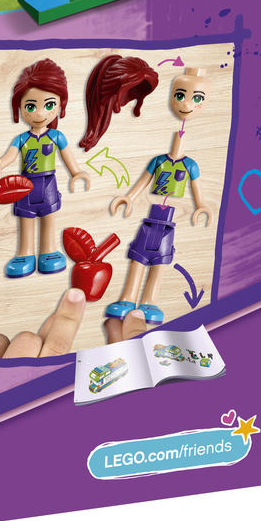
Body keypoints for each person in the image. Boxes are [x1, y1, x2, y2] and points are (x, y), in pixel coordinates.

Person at [95, 59, 215, 325]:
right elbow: (143, 182)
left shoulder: (190, 165)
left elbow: (197, 191)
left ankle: (149, 301)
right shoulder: (159, 161)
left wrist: (201, 206)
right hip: (150, 219)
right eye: (180, 96)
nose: (186, 104)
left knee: (159, 262)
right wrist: (129, 197)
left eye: (196, 98)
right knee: (137, 257)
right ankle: (127, 298)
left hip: (168, 223)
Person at [0, 59, 93, 279]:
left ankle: (48, 250)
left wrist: (77, 173)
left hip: (48, 184)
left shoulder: (56, 136)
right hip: (25, 185)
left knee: (48, 218)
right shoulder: (21, 139)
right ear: (19, 107)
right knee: (26, 220)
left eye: (48, 105)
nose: (39, 113)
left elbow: (68, 158)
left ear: (60, 105)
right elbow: (8, 157)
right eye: (30, 106)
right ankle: (25, 253)